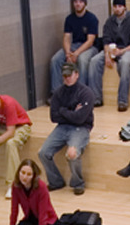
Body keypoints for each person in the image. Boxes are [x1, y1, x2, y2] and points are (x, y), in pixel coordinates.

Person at [38, 61, 96, 195]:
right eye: (64, 76)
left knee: (72, 153)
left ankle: (78, 183)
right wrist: (71, 112)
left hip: (81, 128)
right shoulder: (58, 93)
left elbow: (80, 118)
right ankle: (56, 181)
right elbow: (53, 117)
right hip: (62, 127)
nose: (67, 78)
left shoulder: (86, 93)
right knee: (43, 152)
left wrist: (63, 111)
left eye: (70, 75)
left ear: (77, 75)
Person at [89, 0, 130, 112]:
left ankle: (122, 100)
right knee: (94, 61)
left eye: (119, 6)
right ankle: (96, 98)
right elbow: (106, 40)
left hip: (129, 49)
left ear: (124, 7)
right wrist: (107, 55)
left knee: (125, 63)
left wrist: (122, 51)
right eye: (115, 6)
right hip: (113, 49)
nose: (117, 9)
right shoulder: (109, 21)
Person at [48, 0, 99, 93]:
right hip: (74, 45)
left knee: (82, 59)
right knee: (55, 60)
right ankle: (56, 92)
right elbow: (66, 37)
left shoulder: (92, 18)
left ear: (85, 3)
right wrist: (68, 53)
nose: (78, 4)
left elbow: (90, 41)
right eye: (75, 1)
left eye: (80, 1)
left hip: (89, 47)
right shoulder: (69, 19)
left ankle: (80, 92)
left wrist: (76, 54)